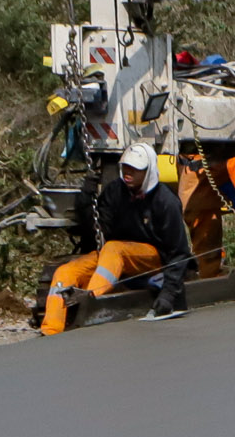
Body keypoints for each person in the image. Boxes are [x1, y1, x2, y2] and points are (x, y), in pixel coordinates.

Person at [41, 142, 193, 334]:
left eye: (135, 169)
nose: (128, 172)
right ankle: (51, 330)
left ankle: (88, 302)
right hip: (114, 255)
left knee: (114, 249)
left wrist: (168, 294)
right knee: (66, 272)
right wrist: (85, 198)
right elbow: (97, 229)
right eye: (126, 167)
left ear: (148, 171)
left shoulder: (165, 201)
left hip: (152, 259)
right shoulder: (115, 191)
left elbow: (179, 252)